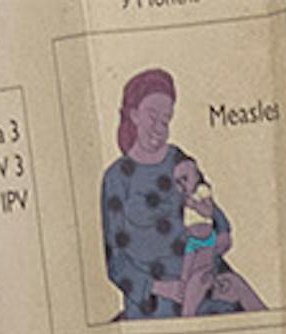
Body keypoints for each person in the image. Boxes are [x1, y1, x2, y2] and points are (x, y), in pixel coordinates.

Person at [100, 67, 262, 315]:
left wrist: (221, 237)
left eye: (166, 119)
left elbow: (212, 213)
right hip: (153, 301)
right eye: (152, 116)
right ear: (134, 115)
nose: (159, 127)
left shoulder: (180, 160)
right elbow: (117, 264)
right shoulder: (117, 177)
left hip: (207, 279)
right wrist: (160, 287)